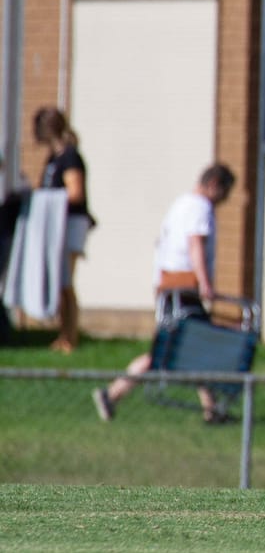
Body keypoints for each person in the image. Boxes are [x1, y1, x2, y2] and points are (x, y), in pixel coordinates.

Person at [92, 164, 236, 424]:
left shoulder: (181, 204)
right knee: (166, 352)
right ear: (214, 183)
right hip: (184, 290)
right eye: (225, 193)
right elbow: (195, 245)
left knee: (195, 349)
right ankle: (112, 394)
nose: (224, 201)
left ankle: (211, 409)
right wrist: (205, 283)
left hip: (170, 288)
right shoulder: (199, 207)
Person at [33, 106, 92, 353]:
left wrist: (50, 201)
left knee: (67, 282)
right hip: (57, 224)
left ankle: (71, 336)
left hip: (71, 224)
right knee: (59, 282)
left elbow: (76, 193)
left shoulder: (70, 156)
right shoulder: (53, 158)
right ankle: (62, 334)